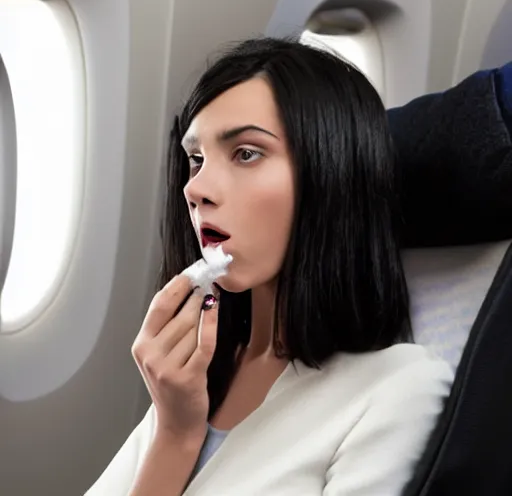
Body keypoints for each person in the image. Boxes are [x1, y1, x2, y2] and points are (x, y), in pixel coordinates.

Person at [85, 37, 453, 496]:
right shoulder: (192, 378)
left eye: (246, 153)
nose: (196, 188)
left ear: (329, 176)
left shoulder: (398, 388)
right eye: (196, 160)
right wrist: (173, 435)